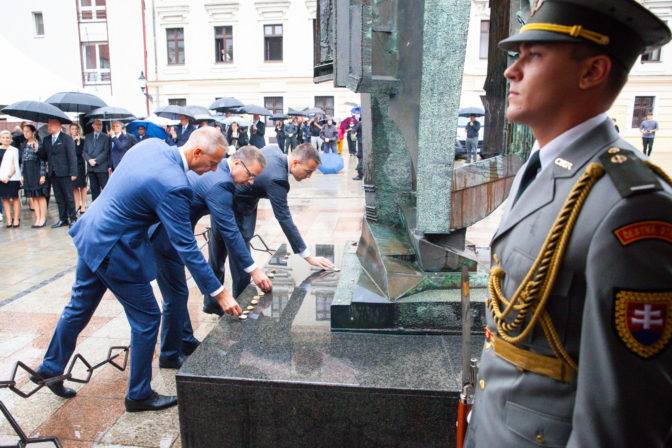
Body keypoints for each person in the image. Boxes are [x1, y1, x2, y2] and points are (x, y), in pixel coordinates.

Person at [464, 1, 672, 447]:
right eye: (515, 57)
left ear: (592, 71)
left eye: (533, 56)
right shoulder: (544, 166)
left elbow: (624, 412)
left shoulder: (630, 205)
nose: (510, 72)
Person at [32, 127, 241, 413]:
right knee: (147, 318)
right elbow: (185, 246)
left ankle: (51, 367)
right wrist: (219, 293)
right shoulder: (174, 184)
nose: (214, 169)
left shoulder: (151, 145)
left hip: (92, 231)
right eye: (213, 162)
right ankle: (139, 394)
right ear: (196, 153)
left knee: (78, 306)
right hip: (115, 248)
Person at [152, 146, 271, 366]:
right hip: (163, 235)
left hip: (174, 232)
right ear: (237, 164)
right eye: (251, 175)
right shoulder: (220, 183)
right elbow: (230, 231)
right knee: (174, 296)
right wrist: (254, 270)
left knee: (178, 293)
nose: (251, 182)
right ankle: (169, 355)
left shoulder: (222, 176)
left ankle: (185, 341)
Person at [204, 143, 335, 314]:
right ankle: (243, 306)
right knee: (242, 258)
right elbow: (284, 219)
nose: (308, 176)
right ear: (295, 163)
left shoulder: (275, 150)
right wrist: (308, 256)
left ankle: (212, 303)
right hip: (236, 207)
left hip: (224, 202)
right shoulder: (278, 180)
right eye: (308, 171)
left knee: (217, 256)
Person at [38, 119, 77, 228]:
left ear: (58, 126)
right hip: (53, 173)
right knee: (59, 197)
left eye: (50, 126)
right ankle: (63, 219)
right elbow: (45, 155)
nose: (48, 128)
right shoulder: (46, 140)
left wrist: (73, 172)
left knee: (68, 196)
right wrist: (38, 149)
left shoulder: (66, 139)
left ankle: (73, 218)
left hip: (65, 172)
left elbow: (72, 156)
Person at [20, 124, 48, 228]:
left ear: (33, 132)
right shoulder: (23, 144)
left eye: (27, 131)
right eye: (24, 131)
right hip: (27, 171)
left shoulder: (39, 144)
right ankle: (37, 217)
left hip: (36, 170)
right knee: (33, 196)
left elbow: (42, 161)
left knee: (40, 195)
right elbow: (23, 161)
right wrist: (22, 174)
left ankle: (43, 218)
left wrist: (42, 175)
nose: (25, 133)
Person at [83, 119, 111, 202]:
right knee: (94, 190)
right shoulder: (87, 137)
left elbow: (106, 151)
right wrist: (89, 160)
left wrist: (96, 160)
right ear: (93, 125)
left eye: (100, 124)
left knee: (105, 188)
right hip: (91, 168)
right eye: (97, 124)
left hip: (101, 167)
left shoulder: (106, 137)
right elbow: (84, 151)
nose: (99, 126)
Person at [0, 130, 21, 228]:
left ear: (11, 139)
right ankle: (8, 219)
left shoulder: (14, 150)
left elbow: (15, 165)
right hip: (1, 178)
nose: (5, 139)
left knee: (15, 198)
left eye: (7, 138)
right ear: (0, 139)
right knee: (5, 198)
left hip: (12, 178)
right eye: (3, 137)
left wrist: (8, 177)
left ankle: (16, 219)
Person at [69, 124, 87, 214]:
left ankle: (83, 205)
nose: (74, 130)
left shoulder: (82, 141)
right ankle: (77, 205)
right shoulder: (68, 140)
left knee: (82, 186)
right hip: (72, 166)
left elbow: (80, 152)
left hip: (80, 165)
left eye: (76, 129)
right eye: (72, 129)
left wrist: (78, 142)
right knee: (74, 186)